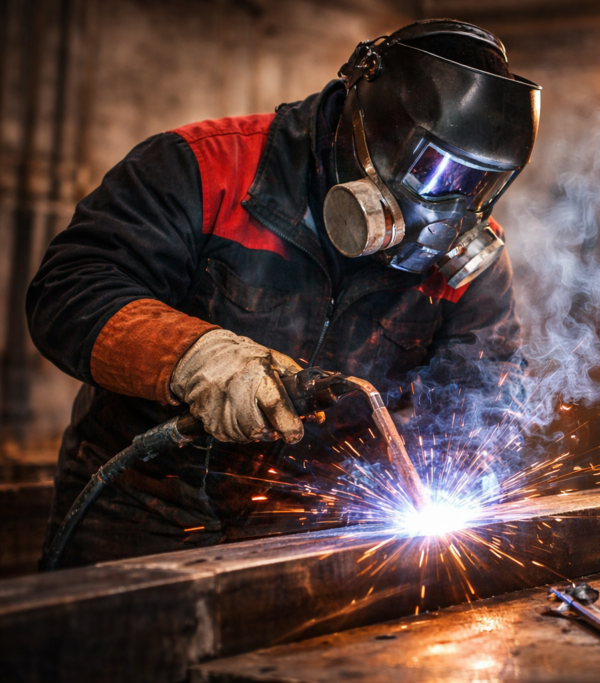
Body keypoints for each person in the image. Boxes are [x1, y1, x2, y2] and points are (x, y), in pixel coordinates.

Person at [27, 19, 540, 567]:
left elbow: (488, 381)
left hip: (310, 527)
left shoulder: (467, 259)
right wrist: (195, 358)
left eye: (476, 184)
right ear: (365, 123)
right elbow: (70, 288)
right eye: (434, 171)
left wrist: (465, 461)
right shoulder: (206, 167)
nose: (447, 209)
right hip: (141, 513)